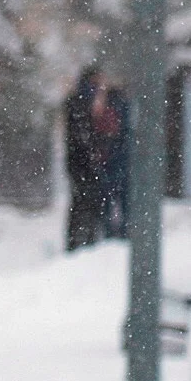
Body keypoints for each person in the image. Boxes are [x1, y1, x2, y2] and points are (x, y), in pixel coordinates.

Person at [61, 66, 129, 252]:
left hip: (86, 163)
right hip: (85, 163)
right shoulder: (84, 103)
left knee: (87, 204)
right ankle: (82, 242)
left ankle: (83, 241)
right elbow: (84, 134)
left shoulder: (85, 101)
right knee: (86, 203)